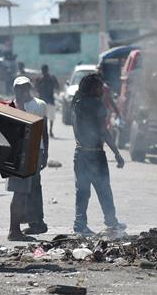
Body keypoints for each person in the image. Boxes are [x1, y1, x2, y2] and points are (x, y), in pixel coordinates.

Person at [72, 74, 126, 236]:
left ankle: (79, 226)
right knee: (104, 190)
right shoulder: (97, 105)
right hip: (95, 155)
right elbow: (103, 131)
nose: (102, 90)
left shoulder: (76, 103)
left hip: (80, 153)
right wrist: (116, 153)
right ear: (93, 88)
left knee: (82, 192)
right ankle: (111, 222)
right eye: (99, 87)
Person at [6, 76, 49, 241]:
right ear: (14, 89)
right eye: (18, 88)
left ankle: (34, 222)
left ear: (29, 88)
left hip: (35, 152)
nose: (21, 91)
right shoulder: (11, 106)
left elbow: (43, 130)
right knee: (20, 192)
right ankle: (14, 230)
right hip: (19, 154)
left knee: (32, 189)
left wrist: (46, 152)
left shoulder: (39, 105)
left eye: (25, 87)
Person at [36, 64, 59, 138]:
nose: (44, 72)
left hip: (50, 100)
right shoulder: (39, 78)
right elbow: (36, 88)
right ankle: (44, 131)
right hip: (42, 101)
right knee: (42, 117)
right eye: (43, 71)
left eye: (44, 70)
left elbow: (57, 86)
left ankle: (50, 130)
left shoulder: (51, 78)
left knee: (51, 117)